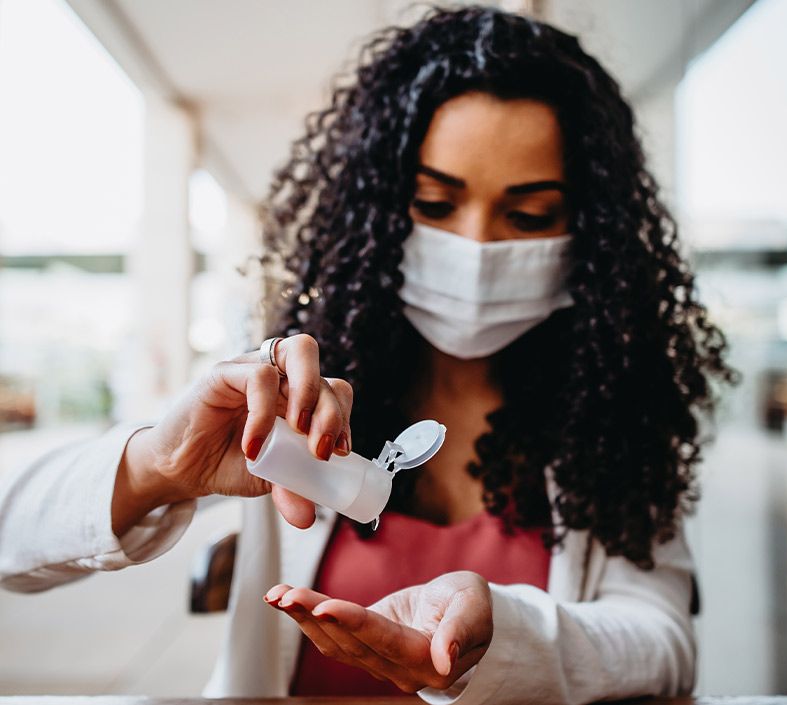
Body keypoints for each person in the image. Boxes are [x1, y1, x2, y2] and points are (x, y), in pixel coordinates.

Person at [0, 6, 738, 704]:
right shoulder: (291, 390)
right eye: (434, 203)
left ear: (588, 231)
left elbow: (663, 638)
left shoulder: (612, 413)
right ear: (380, 207)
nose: (478, 248)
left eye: (528, 215)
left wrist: (500, 633)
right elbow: (12, 545)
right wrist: (156, 465)